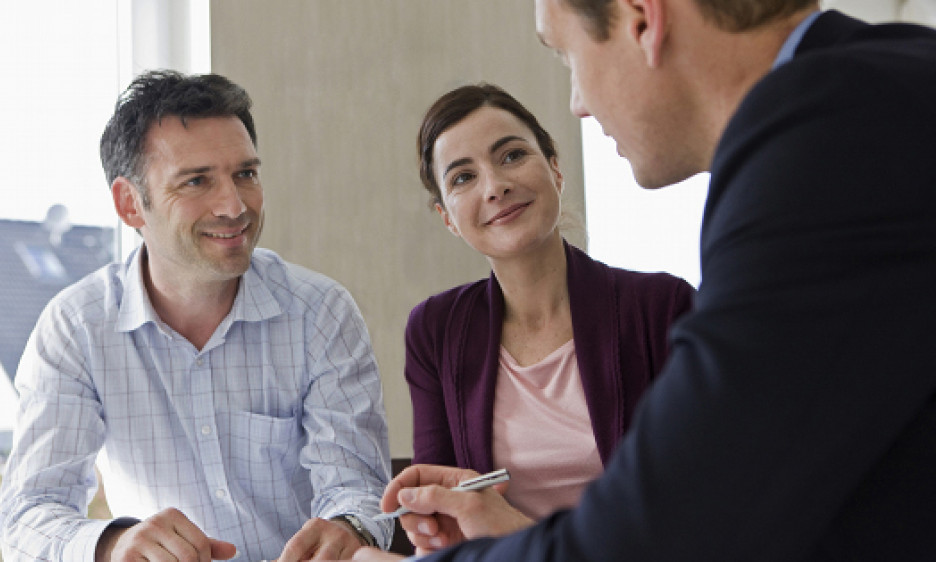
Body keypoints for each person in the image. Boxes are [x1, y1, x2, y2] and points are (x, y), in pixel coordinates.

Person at [354, 0, 936, 560]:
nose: (579, 104)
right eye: (462, 178)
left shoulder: (818, 145)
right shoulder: (879, 77)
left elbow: (681, 524)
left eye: (568, 56)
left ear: (642, 20)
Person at [0, 70, 394, 562]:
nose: (234, 205)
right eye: (196, 181)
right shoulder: (76, 328)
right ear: (130, 204)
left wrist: (349, 528)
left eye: (245, 174)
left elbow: (358, 490)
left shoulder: (321, 312)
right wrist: (115, 544)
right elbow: (28, 515)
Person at [404, 83, 692, 547]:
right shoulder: (435, 331)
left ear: (555, 169)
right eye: (463, 178)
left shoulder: (663, 308)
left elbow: (697, 501)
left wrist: (524, 538)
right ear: (448, 219)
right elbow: (447, 514)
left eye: (512, 155)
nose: (495, 186)